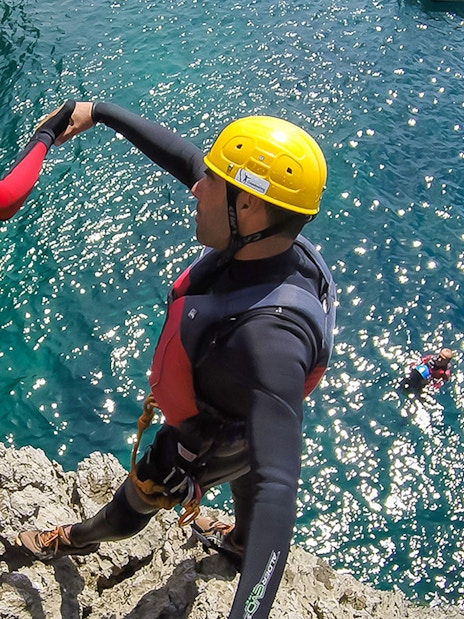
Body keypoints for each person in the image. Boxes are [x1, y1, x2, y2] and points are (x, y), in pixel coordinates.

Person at [15, 100, 336, 619]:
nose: (196, 185)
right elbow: (185, 160)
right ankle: (235, 543)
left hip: (203, 446)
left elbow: (283, 488)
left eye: (211, 180)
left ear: (248, 207)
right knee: (249, 482)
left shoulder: (270, 339)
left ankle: (77, 537)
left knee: (136, 501)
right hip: (249, 426)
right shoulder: (271, 243)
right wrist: (97, 112)